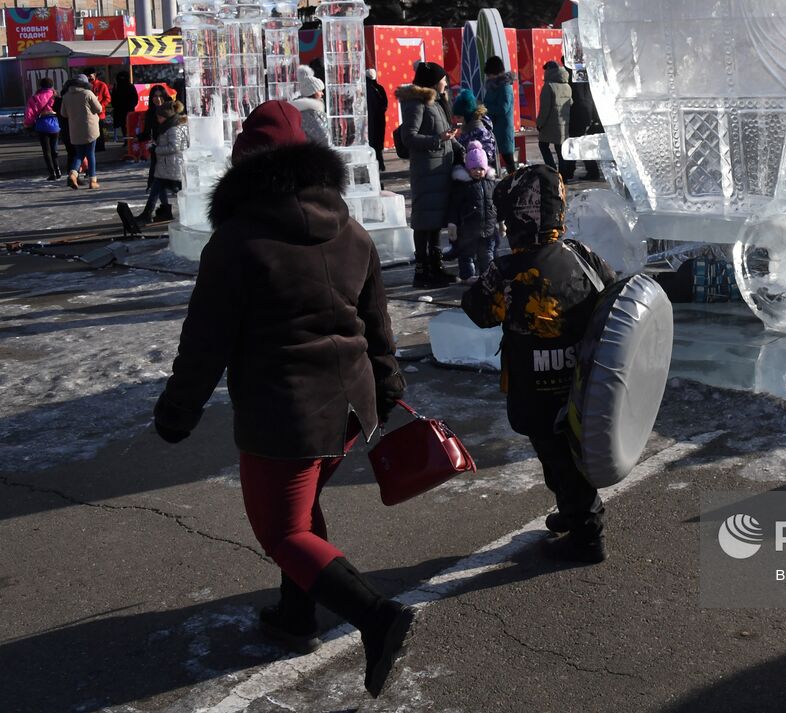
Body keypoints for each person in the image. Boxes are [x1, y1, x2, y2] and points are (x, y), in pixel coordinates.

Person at [151, 101, 414, 698]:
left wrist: (177, 411)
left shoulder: (238, 240)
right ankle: (296, 614)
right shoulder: (349, 227)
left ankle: (376, 616)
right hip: (350, 407)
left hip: (286, 412)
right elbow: (377, 321)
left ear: (246, 166)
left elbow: (205, 341)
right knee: (302, 514)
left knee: (281, 531)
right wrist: (388, 380)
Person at [462, 165, 617, 563]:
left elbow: (480, 311)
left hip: (536, 391)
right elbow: (613, 296)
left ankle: (587, 535)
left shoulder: (508, 269)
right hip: (583, 385)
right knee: (573, 454)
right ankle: (575, 511)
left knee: (558, 461)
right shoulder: (581, 256)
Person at [395, 62, 458, 289]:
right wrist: (438, 139)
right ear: (433, 80)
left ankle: (436, 267)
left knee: (434, 222)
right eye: (443, 78)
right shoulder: (416, 102)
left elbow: (442, 134)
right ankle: (422, 272)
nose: (446, 82)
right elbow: (408, 138)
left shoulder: (436, 101)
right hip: (426, 171)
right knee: (423, 222)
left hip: (439, 171)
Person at [136, 91, 189, 224]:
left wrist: (156, 149)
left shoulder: (173, 129)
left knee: (178, 190)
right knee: (157, 187)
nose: (158, 120)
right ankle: (151, 213)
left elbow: (174, 147)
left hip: (173, 166)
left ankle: (187, 212)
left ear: (166, 116)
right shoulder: (169, 127)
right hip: (167, 166)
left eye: (160, 117)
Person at [449, 140, 498, 281]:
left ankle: (487, 277)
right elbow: (454, 205)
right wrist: (452, 224)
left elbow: (496, 204)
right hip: (467, 230)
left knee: (487, 256)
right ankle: (467, 277)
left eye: (481, 168)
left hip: (488, 230)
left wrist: (500, 221)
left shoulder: (490, 184)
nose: (478, 172)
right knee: (466, 254)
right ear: (468, 168)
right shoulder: (463, 185)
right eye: (475, 168)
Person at [61, 72, 104, 190]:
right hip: (90, 129)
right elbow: (99, 108)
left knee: (79, 154)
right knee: (90, 154)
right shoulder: (88, 93)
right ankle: (92, 180)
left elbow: (63, 114)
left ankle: (73, 174)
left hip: (75, 129)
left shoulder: (66, 96)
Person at [564, 60, 604, 181]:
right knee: (582, 142)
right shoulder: (585, 72)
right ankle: (588, 170)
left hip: (579, 113)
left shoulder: (575, 73)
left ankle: (573, 171)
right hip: (587, 111)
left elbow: (579, 95)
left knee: (576, 142)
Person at [534, 60, 573, 173]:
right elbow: (570, 103)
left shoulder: (548, 86)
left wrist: (539, 123)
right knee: (560, 149)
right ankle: (563, 176)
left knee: (543, 145)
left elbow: (544, 109)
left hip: (549, 124)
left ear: (549, 71)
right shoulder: (567, 86)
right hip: (563, 125)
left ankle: (552, 171)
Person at [482, 56, 517, 173]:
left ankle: (515, 181)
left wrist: (485, 108)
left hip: (503, 128)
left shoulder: (505, 87)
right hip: (493, 127)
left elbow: (503, 108)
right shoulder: (492, 86)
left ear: (495, 72)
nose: (488, 77)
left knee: (508, 159)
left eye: (489, 74)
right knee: (493, 157)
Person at [24, 78, 63, 180]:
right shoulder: (56, 96)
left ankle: (52, 173)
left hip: (42, 126)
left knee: (47, 151)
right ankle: (58, 170)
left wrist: (28, 124)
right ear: (52, 85)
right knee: (54, 149)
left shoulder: (35, 98)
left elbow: (29, 113)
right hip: (55, 125)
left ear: (40, 86)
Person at [291, 65, 331, 145]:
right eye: (320, 91)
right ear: (312, 92)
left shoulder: (311, 110)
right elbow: (323, 137)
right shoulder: (307, 112)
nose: (322, 94)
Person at [366, 66, 389, 172]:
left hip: (372, 120)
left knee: (374, 142)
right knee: (377, 142)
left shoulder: (370, 88)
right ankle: (380, 163)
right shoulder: (378, 88)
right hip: (378, 119)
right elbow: (384, 104)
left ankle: (378, 163)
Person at [85, 68, 112, 151]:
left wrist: (100, 106)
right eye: (87, 76)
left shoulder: (101, 85)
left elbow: (107, 98)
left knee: (99, 131)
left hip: (99, 113)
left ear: (95, 75)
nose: (89, 78)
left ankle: (100, 147)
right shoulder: (85, 86)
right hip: (88, 113)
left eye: (90, 76)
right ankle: (93, 148)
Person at [112, 71, 138, 144]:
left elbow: (135, 98)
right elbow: (113, 98)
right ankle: (126, 141)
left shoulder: (130, 86)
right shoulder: (116, 86)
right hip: (120, 110)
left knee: (130, 126)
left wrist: (131, 106)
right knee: (123, 127)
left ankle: (131, 141)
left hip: (128, 110)